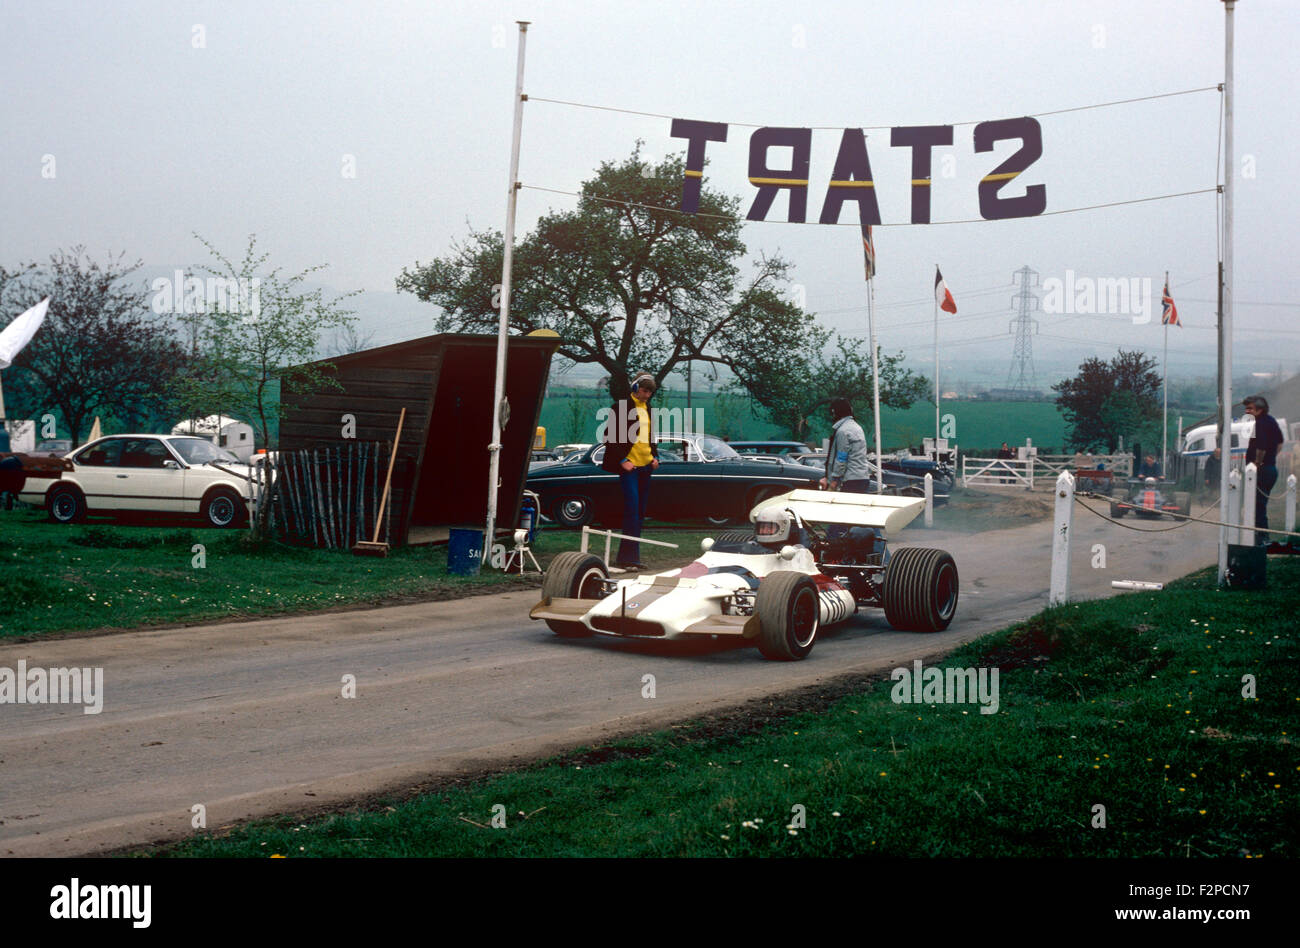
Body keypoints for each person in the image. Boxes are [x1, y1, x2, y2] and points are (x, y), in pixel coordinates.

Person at [599, 373, 660, 569]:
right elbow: (609, 436)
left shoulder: (649, 409)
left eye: (650, 392)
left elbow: (650, 436)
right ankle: (628, 558)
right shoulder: (621, 407)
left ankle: (632, 557)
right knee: (632, 509)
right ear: (635, 388)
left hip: (646, 466)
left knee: (640, 512)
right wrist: (622, 460)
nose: (647, 395)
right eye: (644, 390)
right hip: (630, 467)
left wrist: (655, 456)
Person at [1243, 395, 1284, 545]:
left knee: (1257, 507)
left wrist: (1257, 463)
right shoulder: (1271, 421)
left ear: (1260, 410)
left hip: (1261, 471)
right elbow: (1280, 443)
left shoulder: (1259, 423)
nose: (1247, 411)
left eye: (1250, 408)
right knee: (1260, 505)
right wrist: (1271, 458)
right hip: (1270, 468)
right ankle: (1260, 537)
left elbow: (1261, 446)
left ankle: (1261, 539)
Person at [820, 398, 870, 494]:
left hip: (850, 480)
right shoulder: (857, 428)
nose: (832, 415)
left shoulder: (843, 431)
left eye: (833, 412)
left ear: (836, 412)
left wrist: (834, 480)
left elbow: (841, 458)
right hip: (863, 477)